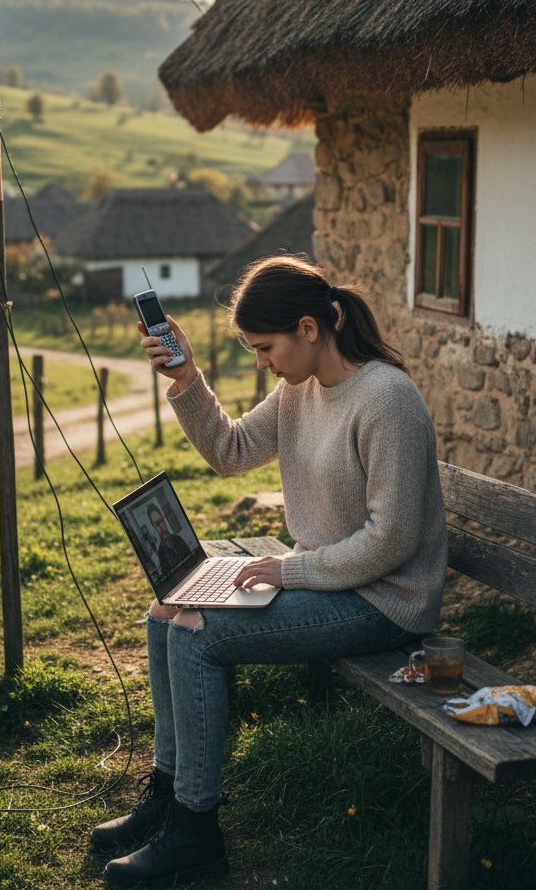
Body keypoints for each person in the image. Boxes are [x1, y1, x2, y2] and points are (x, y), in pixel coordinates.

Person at [92, 255, 448, 887]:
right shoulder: (298, 390)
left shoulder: (386, 399)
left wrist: (289, 572)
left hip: (383, 601)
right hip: (324, 579)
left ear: (309, 329)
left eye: (266, 347)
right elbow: (231, 451)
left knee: (199, 632)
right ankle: (169, 794)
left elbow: (391, 542)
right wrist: (186, 380)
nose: (261, 361)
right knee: (167, 610)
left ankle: (195, 833)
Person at [145, 503, 191, 576]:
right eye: (157, 524)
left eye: (161, 521)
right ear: (154, 528)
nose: (161, 527)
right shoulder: (161, 553)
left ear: (164, 521)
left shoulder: (178, 539)